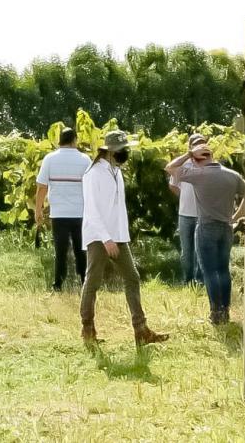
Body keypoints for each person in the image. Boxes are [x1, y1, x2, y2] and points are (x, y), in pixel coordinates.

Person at [79, 130, 169, 348]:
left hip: (118, 236)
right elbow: (92, 210)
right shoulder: (93, 174)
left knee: (133, 277)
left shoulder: (116, 171)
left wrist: (118, 236)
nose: (125, 153)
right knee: (93, 281)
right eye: (121, 150)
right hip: (99, 237)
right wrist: (106, 238)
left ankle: (141, 329)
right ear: (109, 151)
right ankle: (87, 328)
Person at [166, 144, 245, 325]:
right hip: (226, 227)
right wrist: (237, 216)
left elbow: (170, 168)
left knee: (209, 271)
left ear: (195, 159)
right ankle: (225, 310)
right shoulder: (232, 175)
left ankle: (215, 311)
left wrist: (187, 154)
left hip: (206, 227)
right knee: (224, 270)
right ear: (212, 156)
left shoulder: (199, 175)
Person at [35, 127, 92, 291]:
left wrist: (38, 210)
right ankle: (84, 284)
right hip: (80, 213)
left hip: (59, 213)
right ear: (75, 140)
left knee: (60, 251)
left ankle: (58, 285)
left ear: (60, 139)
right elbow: (91, 187)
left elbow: (42, 188)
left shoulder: (49, 159)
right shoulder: (85, 159)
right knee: (81, 250)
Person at [168, 133, 207, 285]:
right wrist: (184, 196)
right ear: (190, 146)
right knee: (186, 251)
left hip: (202, 214)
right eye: (196, 145)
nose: (200, 147)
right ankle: (187, 279)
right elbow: (173, 184)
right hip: (184, 214)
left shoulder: (209, 164)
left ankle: (199, 281)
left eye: (202, 144)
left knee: (200, 250)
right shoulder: (183, 165)